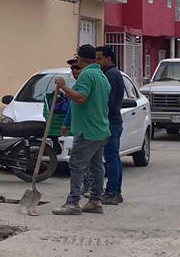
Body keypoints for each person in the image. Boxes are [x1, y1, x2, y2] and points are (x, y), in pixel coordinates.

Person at [51, 44, 112, 215]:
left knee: (77, 164)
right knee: (97, 166)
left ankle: (73, 202)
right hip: (100, 127)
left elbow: (80, 98)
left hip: (87, 129)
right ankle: (95, 201)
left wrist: (63, 86)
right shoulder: (101, 76)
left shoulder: (87, 75)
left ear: (80, 58)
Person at [99, 47, 127, 205]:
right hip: (114, 120)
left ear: (108, 59)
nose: (97, 62)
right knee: (113, 157)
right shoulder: (114, 74)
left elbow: (107, 101)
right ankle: (115, 190)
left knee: (111, 157)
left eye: (99, 58)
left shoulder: (110, 75)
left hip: (110, 121)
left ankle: (112, 191)